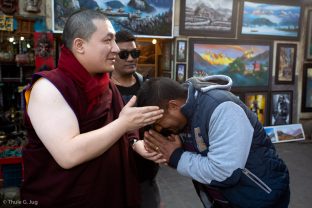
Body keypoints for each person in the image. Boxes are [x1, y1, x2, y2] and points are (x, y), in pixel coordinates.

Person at [21, 9, 163, 208]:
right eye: (108, 40)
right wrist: (123, 124)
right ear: (80, 45)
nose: (115, 49)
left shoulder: (106, 85)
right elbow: (68, 155)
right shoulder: (49, 88)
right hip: (65, 198)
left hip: (108, 194)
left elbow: (123, 125)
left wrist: (135, 144)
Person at [136, 75, 290, 208]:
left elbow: (225, 173)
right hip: (222, 201)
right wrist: (168, 151)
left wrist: (176, 156)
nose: (160, 128)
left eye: (158, 122)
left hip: (259, 198)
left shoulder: (222, 108)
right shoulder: (184, 117)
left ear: (173, 105)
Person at [111, 30, 161, 208]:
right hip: (112, 178)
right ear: (112, 55)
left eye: (135, 53)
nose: (131, 58)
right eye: (124, 54)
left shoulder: (148, 87)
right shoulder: (101, 90)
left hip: (145, 176)